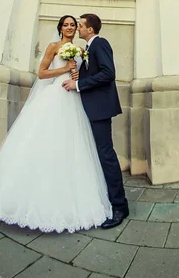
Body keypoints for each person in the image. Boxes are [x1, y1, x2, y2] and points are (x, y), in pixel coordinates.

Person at [0, 15, 112, 233]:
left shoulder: (82, 50)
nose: (71, 28)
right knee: (47, 142)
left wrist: (76, 74)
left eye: (74, 25)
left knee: (74, 146)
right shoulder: (54, 46)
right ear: (60, 28)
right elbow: (42, 73)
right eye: (67, 25)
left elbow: (84, 74)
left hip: (75, 99)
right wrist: (65, 70)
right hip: (55, 95)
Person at [62, 13, 129, 229]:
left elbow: (108, 73)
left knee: (106, 155)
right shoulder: (89, 48)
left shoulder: (100, 44)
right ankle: (106, 199)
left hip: (100, 109)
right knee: (98, 154)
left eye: (80, 25)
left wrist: (79, 85)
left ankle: (120, 206)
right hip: (91, 109)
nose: (77, 28)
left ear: (90, 29)